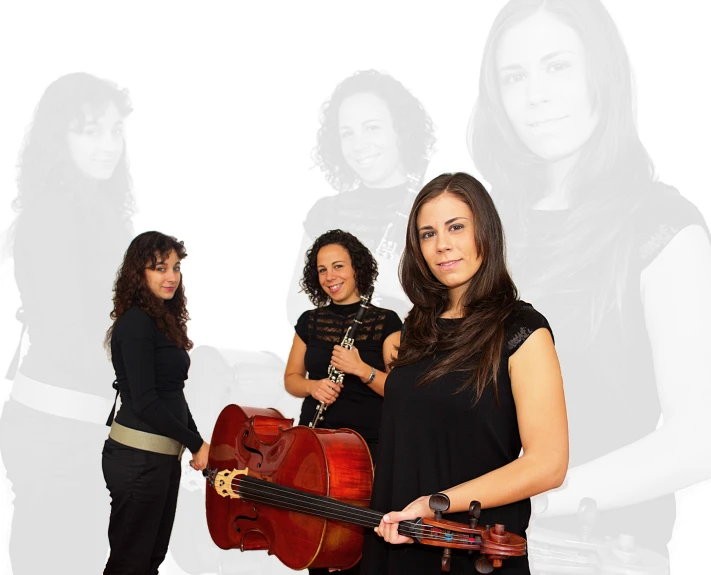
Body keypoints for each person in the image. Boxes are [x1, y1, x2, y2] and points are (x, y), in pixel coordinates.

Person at [468, 0, 711, 568]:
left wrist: (533, 499)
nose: (535, 96)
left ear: (601, 74)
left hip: (591, 552)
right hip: (474, 545)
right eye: (514, 76)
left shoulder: (661, 226)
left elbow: (700, 438)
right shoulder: (491, 228)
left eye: (557, 67)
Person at [362, 172, 568, 574]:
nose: (442, 245)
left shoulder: (522, 329)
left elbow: (549, 464)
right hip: (396, 543)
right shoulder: (417, 329)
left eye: (456, 227)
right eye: (427, 234)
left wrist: (436, 502)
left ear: (485, 233)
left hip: (471, 552)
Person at [0, 72, 134, 575]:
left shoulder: (96, 210)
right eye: (90, 131)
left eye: (116, 131)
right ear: (60, 137)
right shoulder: (53, 214)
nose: (108, 146)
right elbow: (64, 337)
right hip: (55, 432)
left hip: (77, 425)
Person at [284, 228, 402, 575]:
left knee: (357, 546)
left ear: (356, 269)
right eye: (322, 269)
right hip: (316, 444)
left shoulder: (385, 322)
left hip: (368, 450)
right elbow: (292, 379)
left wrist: (361, 369)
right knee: (317, 542)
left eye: (338, 266)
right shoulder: (310, 321)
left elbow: (400, 389)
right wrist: (313, 387)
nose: (330, 277)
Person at [287, 70, 436, 323]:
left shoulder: (437, 208)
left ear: (400, 130)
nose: (358, 145)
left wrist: (399, 287)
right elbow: (297, 308)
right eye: (347, 133)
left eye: (372, 128)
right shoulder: (325, 213)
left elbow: (461, 311)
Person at [102, 231, 210, 574]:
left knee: (149, 561)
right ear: (140, 272)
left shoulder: (161, 321)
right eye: (160, 268)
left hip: (161, 458)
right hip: (137, 461)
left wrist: (196, 443)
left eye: (176, 268)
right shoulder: (135, 323)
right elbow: (146, 403)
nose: (171, 277)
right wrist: (196, 442)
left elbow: (172, 392)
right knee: (130, 564)